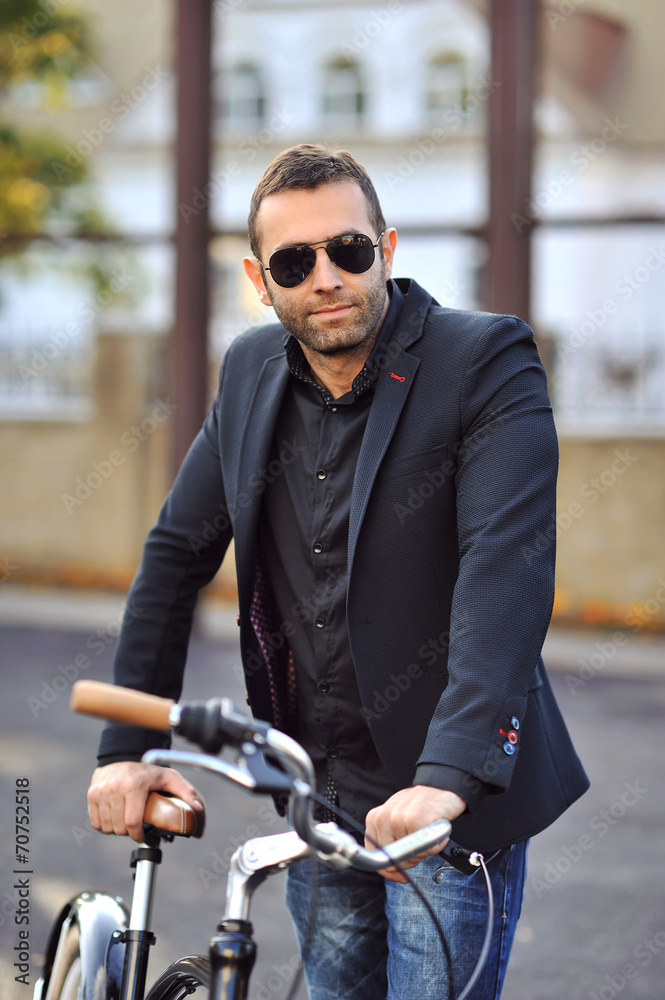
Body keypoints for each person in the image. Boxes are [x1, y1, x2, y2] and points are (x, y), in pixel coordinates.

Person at [87, 143, 589, 999]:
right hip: (318, 790)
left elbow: (502, 569)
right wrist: (128, 749)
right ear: (260, 279)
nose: (325, 276)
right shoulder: (249, 371)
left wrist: (445, 782)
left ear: (385, 249)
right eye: (294, 260)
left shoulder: (484, 363)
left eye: (347, 250)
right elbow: (177, 554)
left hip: (446, 801)